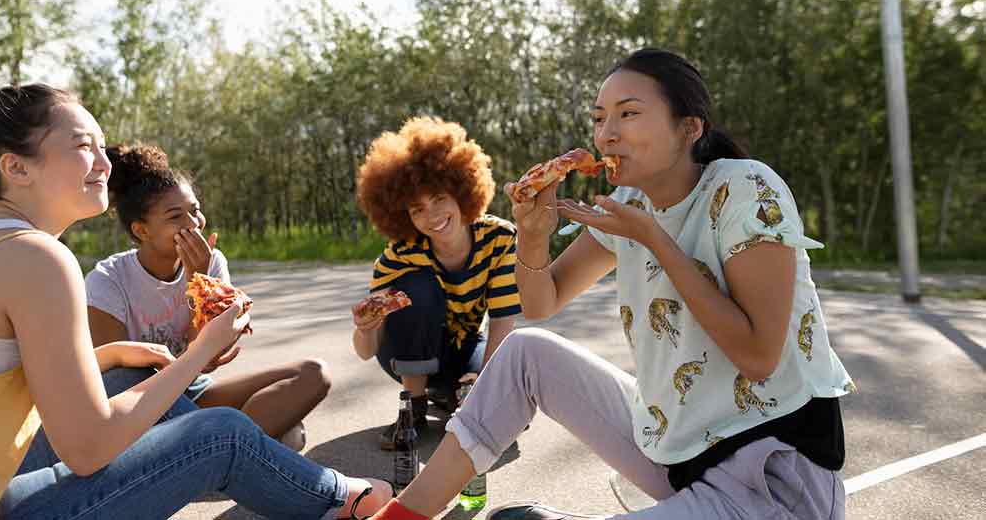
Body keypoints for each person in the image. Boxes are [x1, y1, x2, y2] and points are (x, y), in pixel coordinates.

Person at [365, 49, 854, 520]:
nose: (607, 135)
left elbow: (759, 356)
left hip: (774, 481)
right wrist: (533, 238)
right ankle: (399, 516)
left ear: (689, 128)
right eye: (600, 118)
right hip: (681, 453)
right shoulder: (630, 202)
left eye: (628, 114)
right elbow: (542, 301)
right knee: (525, 353)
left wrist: (654, 239)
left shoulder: (745, 187)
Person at [0, 83, 390, 520]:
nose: (106, 163)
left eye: (103, 146)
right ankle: (343, 501)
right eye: (84, 146)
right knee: (221, 434)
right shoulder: (36, 256)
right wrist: (198, 351)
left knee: (127, 375)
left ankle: (221, 467)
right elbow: (86, 450)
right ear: (17, 167)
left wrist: (106, 356)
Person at [84, 142, 326, 450]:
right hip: (141, 405)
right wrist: (198, 348)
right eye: (175, 217)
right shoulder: (108, 279)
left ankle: (219, 448)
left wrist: (198, 282)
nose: (193, 224)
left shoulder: (212, 263)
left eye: (195, 210)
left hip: (192, 390)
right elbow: (116, 379)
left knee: (313, 374)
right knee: (287, 436)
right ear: (142, 230)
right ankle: (225, 448)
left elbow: (207, 356)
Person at [351, 116, 521, 449]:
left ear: (462, 192)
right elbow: (365, 351)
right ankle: (413, 408)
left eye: (440, 199)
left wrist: (484, 384)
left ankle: (450, 394)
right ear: (404, 216)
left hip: (463, 348)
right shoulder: (400, 255)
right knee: (416, 286)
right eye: (417, 209)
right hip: (403, 354)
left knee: (509, 413)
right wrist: (364, 328)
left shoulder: (499, 239)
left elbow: (503, 320)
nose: (432, 216)